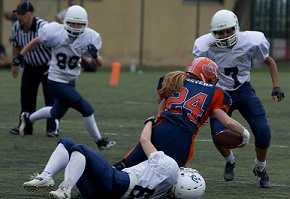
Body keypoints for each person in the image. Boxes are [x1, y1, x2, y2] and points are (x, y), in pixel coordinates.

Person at [192, 9, 285, 188]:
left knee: (263, 132)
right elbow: (197, 73)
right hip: (219, 95)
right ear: (213, 33)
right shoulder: (205, 46)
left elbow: (270, 61)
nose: (225, 35)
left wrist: (276, 87)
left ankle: (260, 167)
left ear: (236, 28)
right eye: (220, 32)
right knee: (218, 137)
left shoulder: (251, 41)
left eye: (228, 30)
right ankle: (230, 160)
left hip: (243, 91)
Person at [114, 57, 250, 171]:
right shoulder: (215, 92)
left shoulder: (175, 79)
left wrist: (158, 121)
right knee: (168, 177)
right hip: (183, 139)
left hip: (159, 130)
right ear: (207, 75)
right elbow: (228, 122)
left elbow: (161, 104)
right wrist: (245, 134)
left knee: (124, 165)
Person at [17, 5, 115, 149]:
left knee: (55, 112)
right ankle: (100, 141)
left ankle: (28, 118)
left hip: (70, 81)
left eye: (79, 24)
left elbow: (98, 64)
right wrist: (21, 55)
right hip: (55, 81)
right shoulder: (55, 32)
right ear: (66, 22)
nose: (76, 27)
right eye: (73, 23)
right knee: (86, 109)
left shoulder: (90, 37)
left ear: (85, 24)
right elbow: (37, 40)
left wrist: (94, 56)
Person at [22, 121, 204, 199]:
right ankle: (46, 177)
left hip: (118, 182)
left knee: (79, 149)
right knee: (70, 145)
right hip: (104, 193)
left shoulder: (170, 167)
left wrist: (149, 121)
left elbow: (145, 141)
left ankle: (64, 189)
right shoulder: (163, 192)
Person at [9, 1, 56, 137]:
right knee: (26, 98)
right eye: (18, 14)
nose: (19, 17)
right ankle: (25, 127)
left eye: (22, 15)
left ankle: (52, 128)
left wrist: (53, 65)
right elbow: (16, 45)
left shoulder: (43, 27)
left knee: (50, 98)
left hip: (47, 66)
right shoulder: (17, 27)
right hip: (30, 66)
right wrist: (15, 64)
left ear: (30, 14)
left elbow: (56, 45)